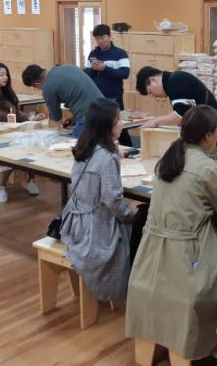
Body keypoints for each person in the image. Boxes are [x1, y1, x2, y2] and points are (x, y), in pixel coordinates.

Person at [126, 105, 217, 360]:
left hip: (153, 256)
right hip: (190, 258)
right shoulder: (205, 167)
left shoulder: (170, 157)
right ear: (208, 135)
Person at [60, 98, 137, 302]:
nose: (122, 123)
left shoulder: (85, 147)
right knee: (142, 222)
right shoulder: (108, 157)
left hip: (74, 224)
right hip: (94, 230)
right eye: (118, 120)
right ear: (106, 125)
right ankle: (131, 288)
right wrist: (132, 212)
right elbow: (113, 202)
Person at [0, 61, 46, 203]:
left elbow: (17, 115)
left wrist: (32, 117)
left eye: (6, 74)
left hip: (10, 133)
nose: (5, 77)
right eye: (1, 75)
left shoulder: (8, 93)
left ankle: (30, 179)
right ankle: (0, 185)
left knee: (33, 145)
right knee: (13, 153)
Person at [136, 67, 217, 158]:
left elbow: (181, 116)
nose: (154, 96)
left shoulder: (176, 81)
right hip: (208, 138)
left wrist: (155, 121)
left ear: (153, 80)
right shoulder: (173, 81)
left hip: (213, 140)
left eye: (150, 92)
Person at [22, 64, 103, 137]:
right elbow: (81, 94)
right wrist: (75, 117)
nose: (37, 89)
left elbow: (56, 118)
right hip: (105, 109)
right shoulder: (67, 67)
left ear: (37, 83)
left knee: (76, 142)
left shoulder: (48, 87)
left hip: (89, 116)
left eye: (35, 87)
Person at [84, 24, 132, 147]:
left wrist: (105, 68)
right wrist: (94, 69)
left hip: (114, 97)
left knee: (118, 126)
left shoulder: (120, 53)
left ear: (110, 36)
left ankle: (129, 149)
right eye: (97, 38)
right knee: (99, 127)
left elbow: (125, 73)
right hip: (97, 97)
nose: (100, 41)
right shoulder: (93, 54)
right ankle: (103, 148)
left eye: (103, 37)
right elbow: (87, 75)